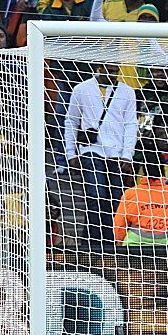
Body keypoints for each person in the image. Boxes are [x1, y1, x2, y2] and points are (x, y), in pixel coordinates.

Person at [64, 63, 138, 244]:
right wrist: (70, 153)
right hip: (91, 149)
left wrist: (128, 154)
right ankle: (92, 242)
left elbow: (131, 124)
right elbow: (71, 121)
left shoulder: (128, 92)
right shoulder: (81, 89)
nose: (113, 75)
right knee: (96, 195)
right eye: (109, 71)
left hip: (117, 153)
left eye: (116, 72)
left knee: (115, 198)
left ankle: (111, 240)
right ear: (99, 67)